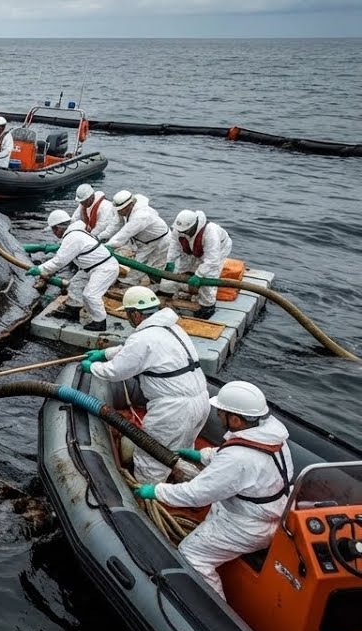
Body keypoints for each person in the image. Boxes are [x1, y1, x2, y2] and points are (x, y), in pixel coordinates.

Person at [138, 381, 293, 599]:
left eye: (221, 413)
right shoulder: (272, 438)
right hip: (267, 511)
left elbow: (195, 495)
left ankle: (212, 607)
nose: (218, 416)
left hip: (248, 526)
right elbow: (233, 454)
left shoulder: (238, 458)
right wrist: (202, 455)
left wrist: (155, 491)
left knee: (192, 555)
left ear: (235, 420)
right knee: (218, 503)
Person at [81, 287, 210, 484]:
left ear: (136, 314)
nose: (128, 319)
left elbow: (116, 371)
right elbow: (137, 351)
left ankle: (149, 494)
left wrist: (93, 367)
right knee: (182, 448)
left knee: (150, 457)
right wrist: (106, 353)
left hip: (172, 410)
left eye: (128, 314)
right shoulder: (173, 329)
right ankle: (184, 486)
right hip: (201, 402)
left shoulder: (142, 338)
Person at [28, 209, 119, 331]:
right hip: (92, 267)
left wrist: (39, 269)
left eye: (54, 230)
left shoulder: (73, 237)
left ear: (58, 228)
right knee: (74, 285)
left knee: (90, 295)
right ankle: (74, 309)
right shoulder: (76, 233)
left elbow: (59, 261)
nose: (54, 233)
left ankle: (100, 322)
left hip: (104, 269)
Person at [161, 210, 233, 320]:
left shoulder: (210, 233)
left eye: (185, 231)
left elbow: (212, 261)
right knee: (184, 269)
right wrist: (170, 261)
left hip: (218, 248)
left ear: (193, 226)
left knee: (208, 277)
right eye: (181, 231)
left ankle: (207, 306)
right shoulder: (179, 230)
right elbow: (174, 246)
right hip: (191, 248)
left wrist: (199, 275)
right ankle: (187, 293)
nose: (182, 233)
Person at [106, 190, 172, 288]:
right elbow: (116, 225)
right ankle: (129, 282)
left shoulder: (141, 216)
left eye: (121, 209)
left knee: (154, 267)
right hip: (143, 241)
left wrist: (107, 246)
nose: (119, 212)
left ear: (130, 205)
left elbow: (124, 234)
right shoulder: (123, 211)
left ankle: (155, 287)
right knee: (138, 262)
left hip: (161, 241)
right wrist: (101, 237)